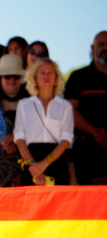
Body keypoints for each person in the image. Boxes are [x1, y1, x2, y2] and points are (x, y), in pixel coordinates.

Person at [14, 58, 74, 186]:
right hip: (30, 162)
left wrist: (44, 164)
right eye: (42, 73)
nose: (46, 76)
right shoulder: (24, 105)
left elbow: (66, 139)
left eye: (50, 72)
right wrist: (34, 167)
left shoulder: (65, 106)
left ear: (56, 77)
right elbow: (19, 138)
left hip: (56, 161)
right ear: (35, 77)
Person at [64, 31, 107, 185]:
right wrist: (96, 133)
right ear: (92, 47)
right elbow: (70, 111)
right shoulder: (78, 77)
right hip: (87, 151)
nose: (105, 48)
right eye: (101, 44)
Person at [0, 54, 29, 187]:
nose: (12, 80)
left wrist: (15, 137)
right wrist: (4, 139)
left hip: (28, 171)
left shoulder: (31, 104)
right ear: (0, 79)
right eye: (7, 76)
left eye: (16, 76)